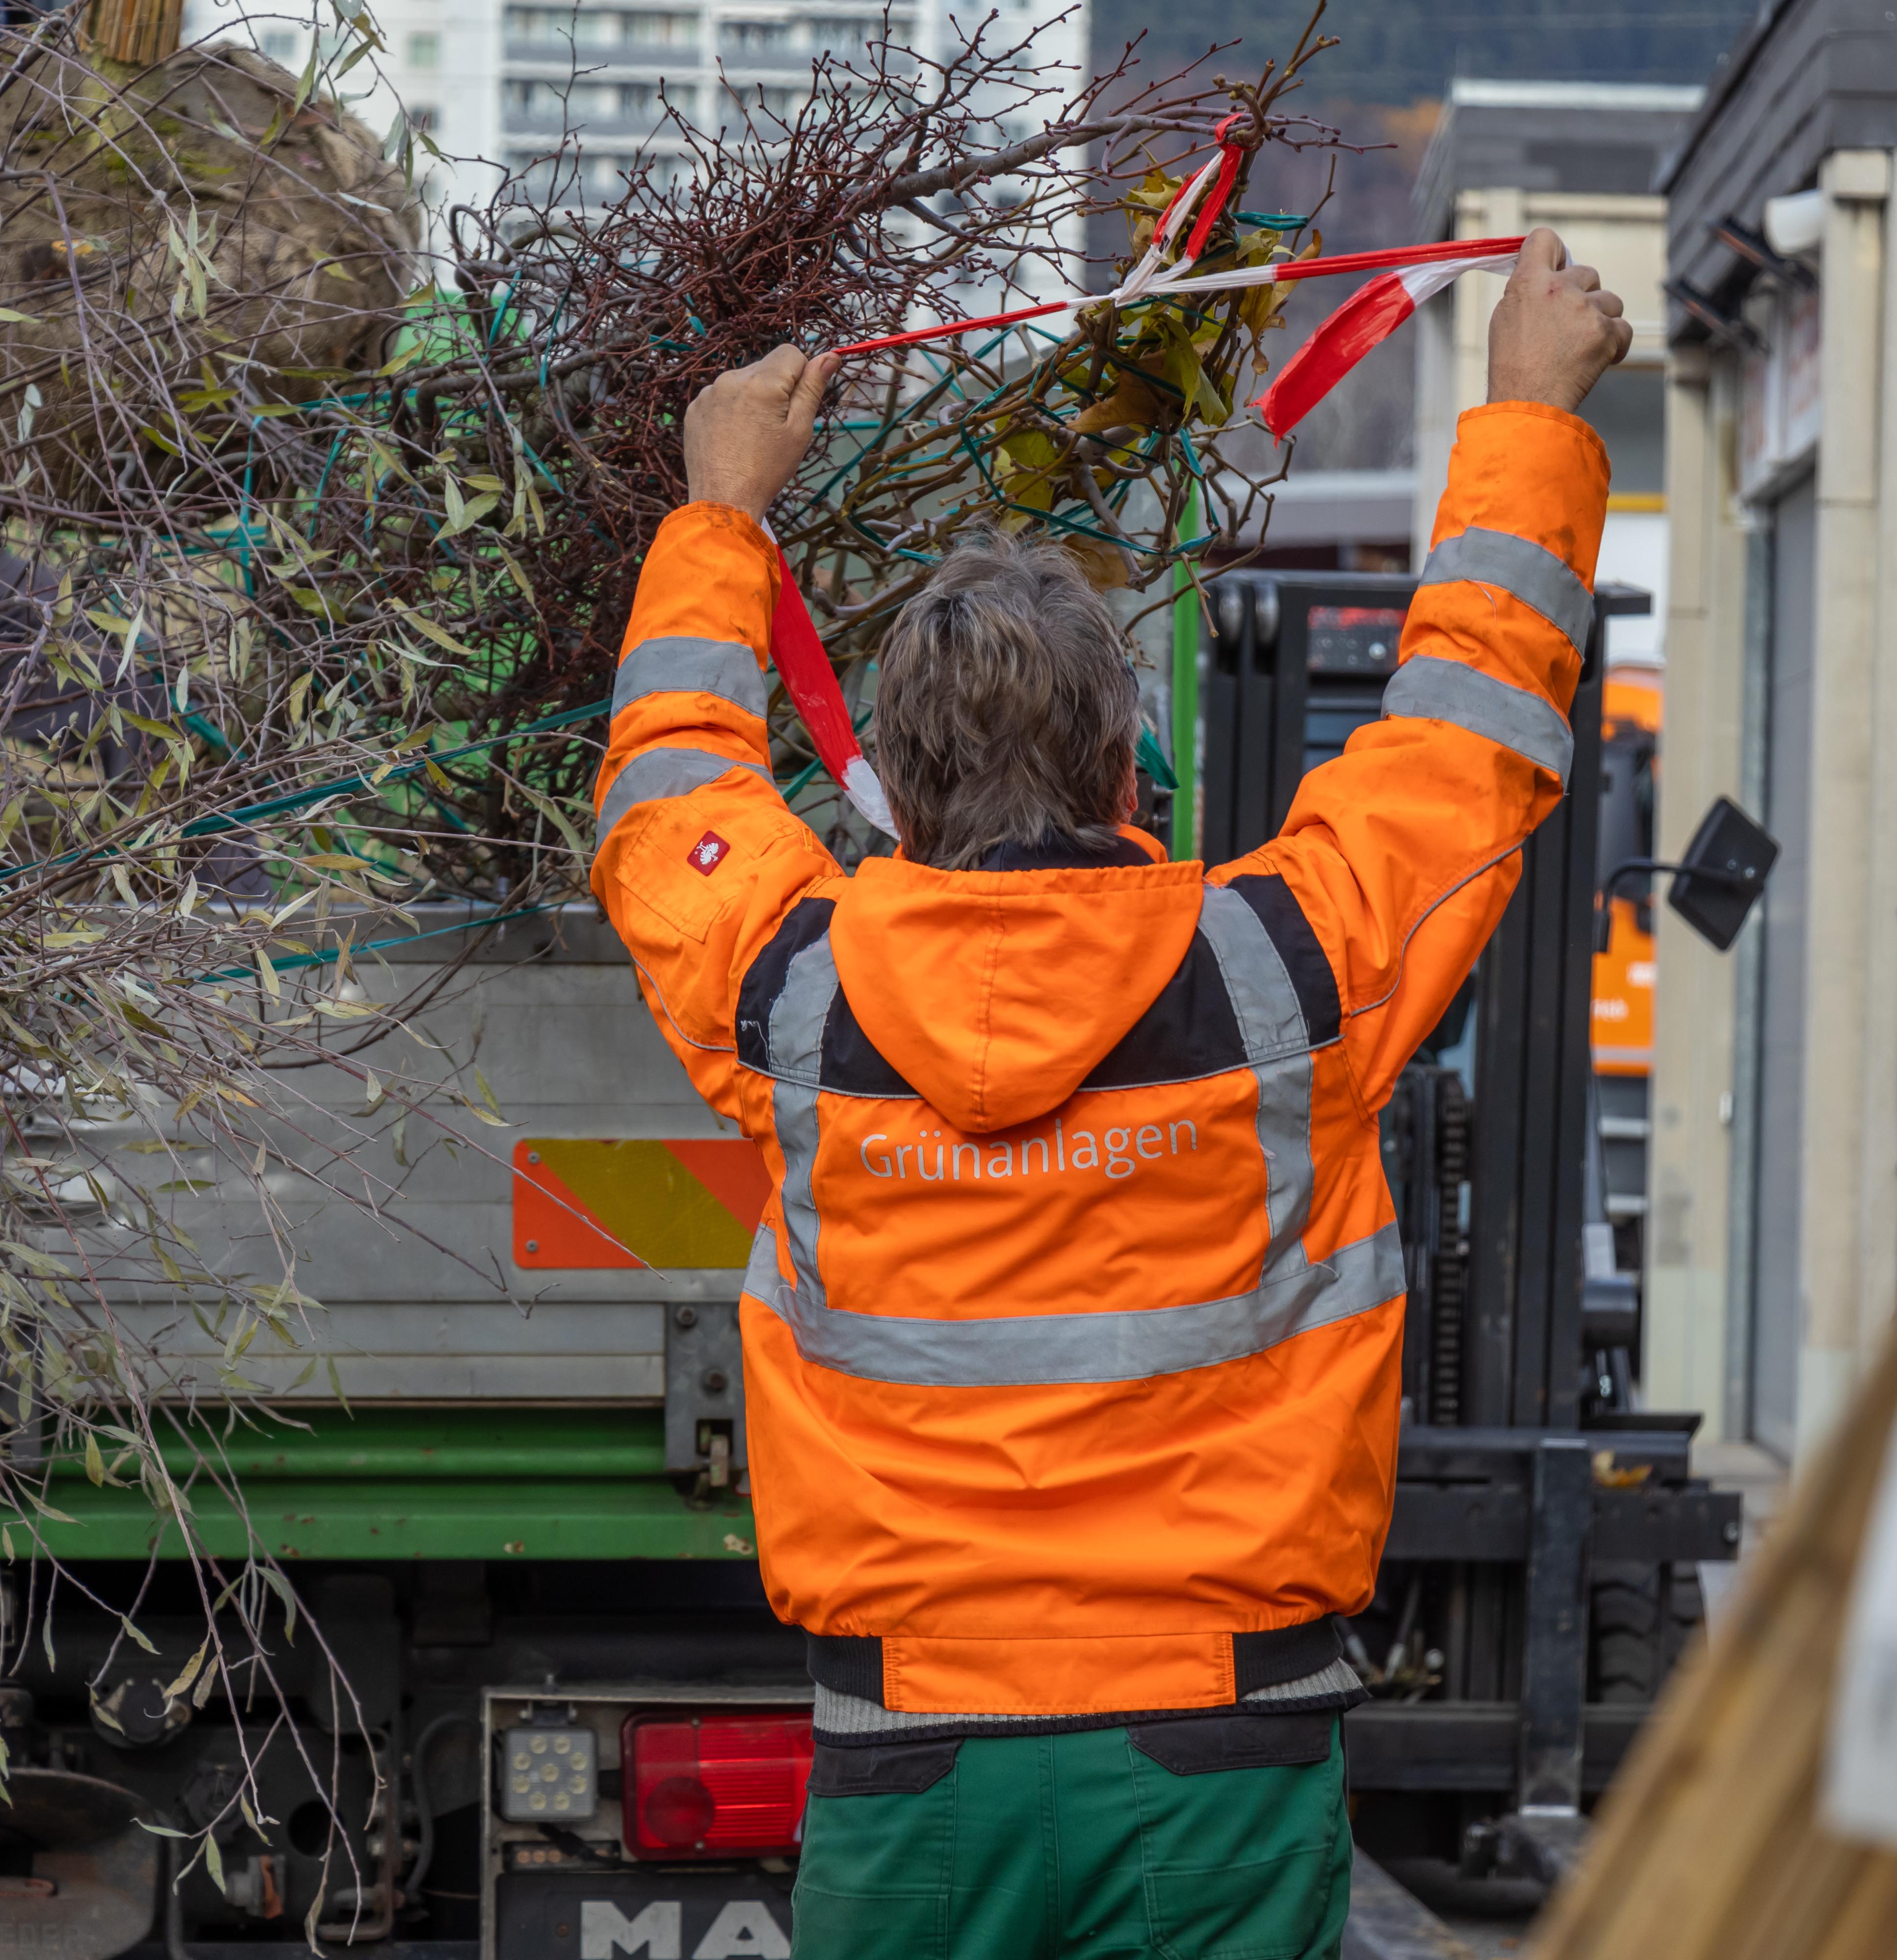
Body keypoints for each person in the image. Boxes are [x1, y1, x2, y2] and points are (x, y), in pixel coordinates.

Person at [589, 226, 1631, 1959]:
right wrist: (1527, 409)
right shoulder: (1291, 974)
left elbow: (670, 785)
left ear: (891, 793)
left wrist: (721, 517)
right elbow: (1469, 730)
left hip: (907, 1769)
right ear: (1118, 763)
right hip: (1219, 1766)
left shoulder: (795, 999)